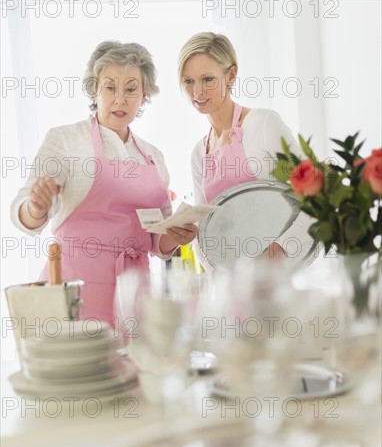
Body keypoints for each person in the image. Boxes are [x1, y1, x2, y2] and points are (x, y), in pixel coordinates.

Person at [11, 41, 197, 323]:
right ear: (94, 90)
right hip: (75, 297)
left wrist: (176, 235)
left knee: (137, 367)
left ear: (144, 96)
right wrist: (36, 207)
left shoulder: (154, 157)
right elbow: (23, 212)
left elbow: (158, 238)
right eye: (110, 87)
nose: (120, 99)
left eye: (131, 89)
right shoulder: (66, 140)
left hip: (136, 300)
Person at [177, 32, 312, 268]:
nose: (197, 91)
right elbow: (202, 230)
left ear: (230, 75)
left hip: (281, 274)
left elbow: (316, 196)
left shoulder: (263, 124)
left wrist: (282, 248)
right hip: (232, 285)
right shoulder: (200, 153)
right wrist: (216, 273)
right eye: (188, 81)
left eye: (207, 79)